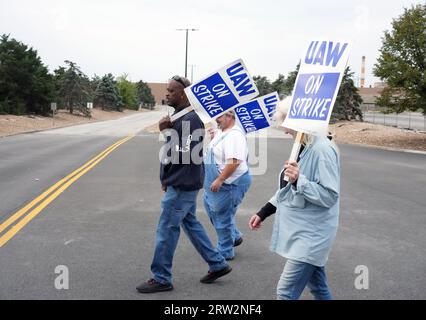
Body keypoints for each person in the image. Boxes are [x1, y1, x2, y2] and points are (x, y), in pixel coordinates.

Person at [137, 76, 232, 294]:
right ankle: (217, 263)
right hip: (181, 183)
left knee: (167, 230)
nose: (167, 93)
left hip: (182, 185)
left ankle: (161, 277)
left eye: (171, 90)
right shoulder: (181, 117)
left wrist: (166, 132)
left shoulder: (189, 120)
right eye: (167, 90)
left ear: (183, 94)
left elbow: (186, 155)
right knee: (190, 224)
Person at [249, 97, 340, 300]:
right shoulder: (303, 147)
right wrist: (263, 212)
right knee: (319, 289)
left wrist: (300, 180)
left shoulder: (322, 150)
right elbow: (287, 190)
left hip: (311, 236)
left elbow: (330, 196)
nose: (285, 130)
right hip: (301, 233)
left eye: (287, 124)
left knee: (285, 292)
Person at [203, 111, 252, 260]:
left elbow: (234, 161)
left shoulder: (234, 135)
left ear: (229, 116)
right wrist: (213, 138)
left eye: (219, 117)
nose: (217, 120)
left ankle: (225, 250)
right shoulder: (222, 132)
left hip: (230, 183)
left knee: (222, 215)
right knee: (210, 208)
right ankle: (234, 236)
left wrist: (220, 179)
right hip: (216, 179)